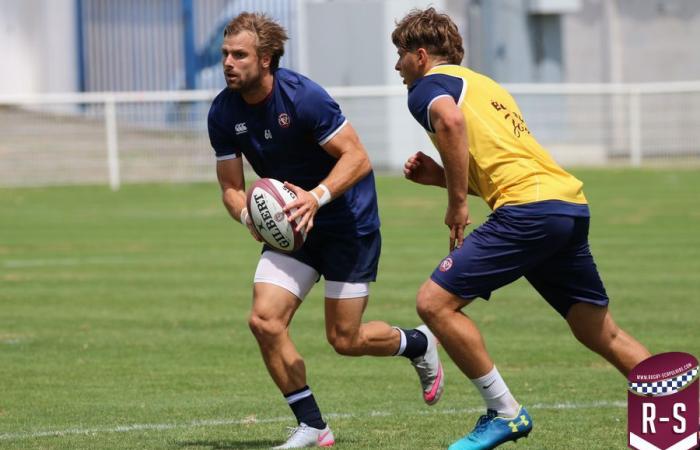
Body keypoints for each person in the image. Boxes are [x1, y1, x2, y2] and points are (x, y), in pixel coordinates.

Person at [391, 7, 651, 450]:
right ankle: (678, 413)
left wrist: (454, 204)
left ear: (420, 55)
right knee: (599, 331)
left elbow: (450, 123)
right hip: (566, 205)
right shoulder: (488, 87)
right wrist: (442, 178)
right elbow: (504, 170)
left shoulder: (426, 88)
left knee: (434, 304)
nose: (397, 67)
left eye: (399, 56)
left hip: (529, 211)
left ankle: (504, 412)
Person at [207, 12, 444, 449]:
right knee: (264, 320)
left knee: (345, 339)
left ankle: (416, 343)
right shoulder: (223, 111)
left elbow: (357, 157)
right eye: (225, 54)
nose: (228, 63)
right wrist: (250, 217)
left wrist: (315, 198)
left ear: (266, 59)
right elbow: (230, 188)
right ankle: (313, 426)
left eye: (239, 55)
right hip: (292, 231)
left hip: (346, 222)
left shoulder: (303, 98)